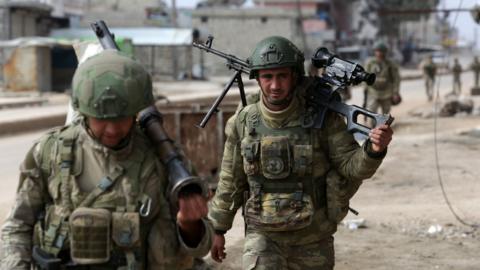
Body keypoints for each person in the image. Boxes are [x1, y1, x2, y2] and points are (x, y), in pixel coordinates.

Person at [0, 50, 212, 269]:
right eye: (101, 119)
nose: (112, 129)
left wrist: (190, 224)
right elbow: (17, 227)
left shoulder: (166, 160)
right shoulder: (49, 152)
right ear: (83, 110)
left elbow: (201, 245)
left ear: (136, 112)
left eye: (121, 118)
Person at [208, 36, 393, 269]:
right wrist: (217, 228)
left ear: (294, 76)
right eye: (267, 77)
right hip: (263, 236)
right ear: (257, 78)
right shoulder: (244, 122)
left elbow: (351, 166)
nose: (275, 86)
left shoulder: (322, 117)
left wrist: (374, 149)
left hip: (313, 238)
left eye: (282, 76)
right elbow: (230, 179)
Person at [364, 42, 401, 116]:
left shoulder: (390, 64)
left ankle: (383, 127)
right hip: (373, 92)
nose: (379, 53)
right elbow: (365, 77)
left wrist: (395, 93)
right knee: (371, 113)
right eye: (377, 51)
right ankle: (372, 127)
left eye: (381, 51)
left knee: (385, 115)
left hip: (386, 93)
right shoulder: (370, 63)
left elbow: (396, 79)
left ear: (385, 52)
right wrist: (365, 89)